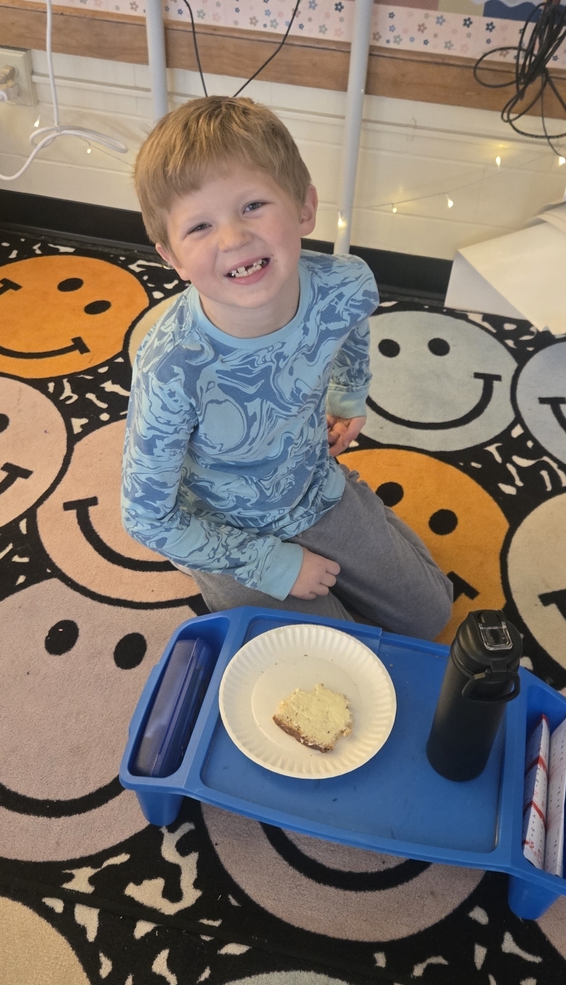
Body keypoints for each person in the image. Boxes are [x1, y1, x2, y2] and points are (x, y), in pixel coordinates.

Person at [122, 95, 452, 640]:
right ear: (172, 258)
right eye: (199, 226)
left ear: (304, 207)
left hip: (312, 486)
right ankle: (207, 566)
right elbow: (145, 517)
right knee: (333, 655)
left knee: (431, 616)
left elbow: (350, 327)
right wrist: (269, 563)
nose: (233, 238)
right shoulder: (170, 369)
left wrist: (348, 395)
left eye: (253, 205)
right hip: (222, 526)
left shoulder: (346, 283)